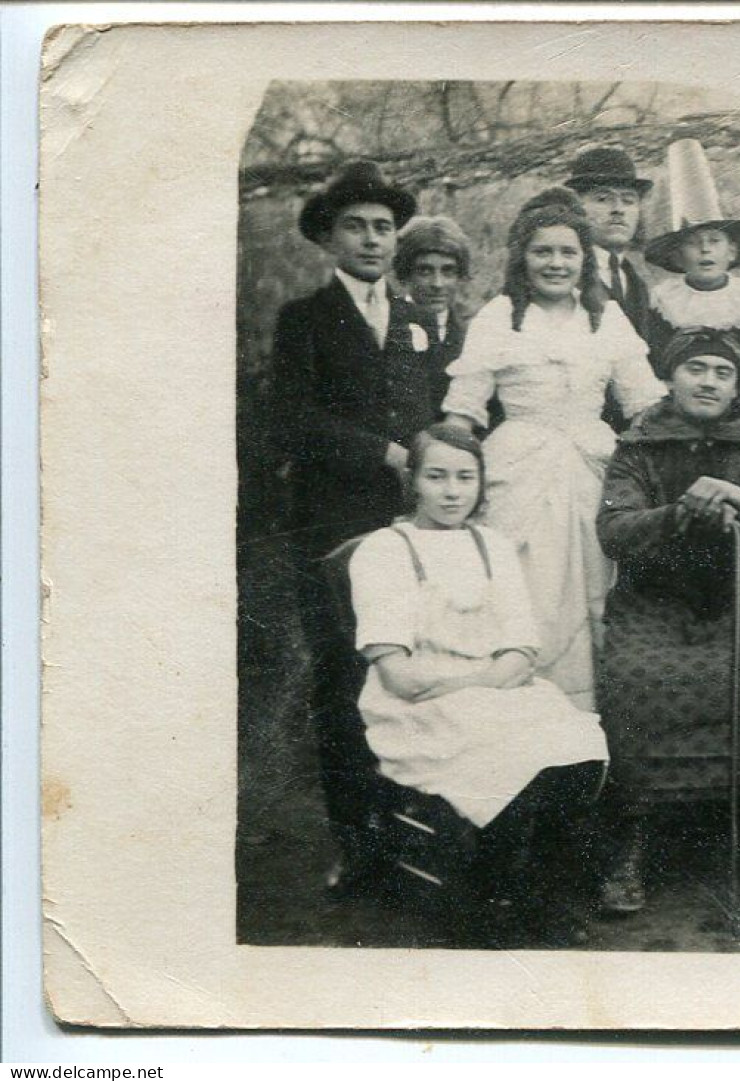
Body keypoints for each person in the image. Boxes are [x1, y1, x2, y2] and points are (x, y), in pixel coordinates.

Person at [347, 424, 609, 946]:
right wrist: (481, 682)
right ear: (413, 483)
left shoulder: (492, 545)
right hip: (413, 706)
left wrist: (482, 682)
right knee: (507, 747)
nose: (452, 491)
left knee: (578, 743)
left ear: (481, 484)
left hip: (492, 691)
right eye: (437, 477)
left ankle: (534, 890)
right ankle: (486, 898)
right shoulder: (385, 550)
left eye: (465, 478)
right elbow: (397, 672)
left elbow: (520, 651)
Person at [595, 330, 740, 918]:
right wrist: (676, 515)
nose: (708, 382)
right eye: (695, 369)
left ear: (738, 385)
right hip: (656, 603)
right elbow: (613, 531)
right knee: (636, 677)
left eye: (722, 373)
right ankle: (635, 845)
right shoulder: (641, 442)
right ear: (671, 378)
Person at [271, 160, 447, 892]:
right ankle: (356, 842)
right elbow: (292, 421)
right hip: (331, 523)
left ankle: (414, 835)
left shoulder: (413, 320)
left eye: (382, 226)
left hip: (409, 527)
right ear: (329, 237)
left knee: (410, 665)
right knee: (344, 678)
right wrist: (383, 451)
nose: (372, 239)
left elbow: (433, 416)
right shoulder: (304, 320)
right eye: (356, 226)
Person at [441, 187, 667, 710]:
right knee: (526, 591)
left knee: (598, 590)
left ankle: (593, 728)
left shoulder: (605, 316)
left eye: (568, 252)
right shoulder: (500, 316)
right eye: (543, 251)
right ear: (522, 256)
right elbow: (464, 410)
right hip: (519, 468)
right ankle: (523, 719)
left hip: (592, 465)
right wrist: (446, 474)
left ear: (585, 260)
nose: (556, 263)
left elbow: (643, 401)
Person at [643, 140, 740, 426]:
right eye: (694, 244)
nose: (705, 250)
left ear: (731, 252)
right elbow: (650, 356)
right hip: (676, 413)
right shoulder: (661, 304)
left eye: (714, 241)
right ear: (679, 257)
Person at [562, 145, 655, 341]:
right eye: (603, 198)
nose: (618, 209)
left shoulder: (636, 283)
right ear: (576, 208)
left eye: (628, 200)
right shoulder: (562, 274)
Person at [394, 213, 473, 377]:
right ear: (405, 274)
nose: (437, 284)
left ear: (460, 276)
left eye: (448, 271)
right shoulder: (387, 325)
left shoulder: (472, 334)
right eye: (425, 271)